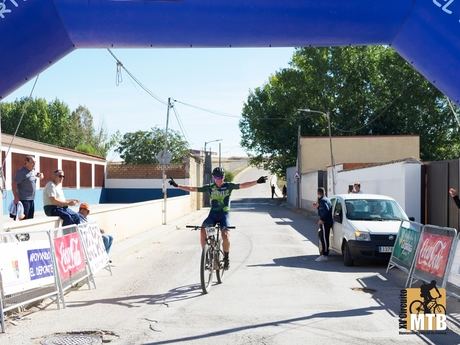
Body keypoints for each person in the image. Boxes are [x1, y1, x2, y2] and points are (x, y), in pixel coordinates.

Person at [169, 167, 267, 270]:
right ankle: (205, 254)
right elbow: (193, 188)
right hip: (213, 215)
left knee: (225, 234)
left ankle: (226, 258)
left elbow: (243, 185)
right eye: (216, 177)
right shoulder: (210, 187)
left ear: (223, 177)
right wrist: (177, 186)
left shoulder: (228, 186)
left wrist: (257, 182)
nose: (218, 179)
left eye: (220, 177)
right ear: (213, 177)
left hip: (224, 214)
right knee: (203, 229)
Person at [12, 155, 43, 219]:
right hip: (24, 200)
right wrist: (15, 196)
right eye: (32, 162)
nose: (34, 164)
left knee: (30, 219)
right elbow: (14, 184)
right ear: (27, 162)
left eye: (35, 162)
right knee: (23, 219)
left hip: (31, 200)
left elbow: (37, 174)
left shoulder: (32, 171)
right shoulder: (21, 172)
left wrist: (41, 175)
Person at [313, 187, 333, 262]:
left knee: (324, 238)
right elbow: (323, 209)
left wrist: (322, 220)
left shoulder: (323, 201)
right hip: (327, 222)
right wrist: (318, 207)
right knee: (324, 237)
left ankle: (324, 255)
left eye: (317, 193)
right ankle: (325, 253)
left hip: (325, 222)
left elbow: (326, 211)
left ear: (319, 193)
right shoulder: (325, 199)